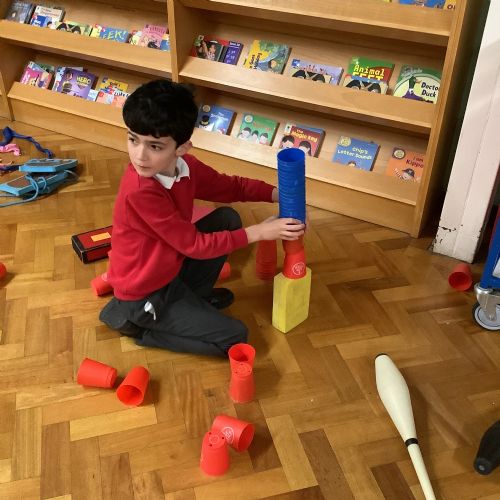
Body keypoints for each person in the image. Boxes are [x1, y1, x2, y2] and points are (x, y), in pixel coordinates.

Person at [99, 79, 305, 357]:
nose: (139, 156)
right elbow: (194, 245)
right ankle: (140, 329)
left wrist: (278, 194)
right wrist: (259, 232)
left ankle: (193, 300)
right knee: (236, 337)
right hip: (144, 294)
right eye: (133, 139)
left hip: (168, 269)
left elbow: (231, 187)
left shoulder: (187, 167)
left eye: (155, 146)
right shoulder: (140, 191)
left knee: (227, 219)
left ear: (182, 148)